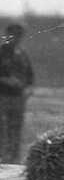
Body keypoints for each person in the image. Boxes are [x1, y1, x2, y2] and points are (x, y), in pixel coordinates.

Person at [0, 23, 34, 164]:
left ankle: (13, 160)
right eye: (12, 35)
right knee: (2, 130)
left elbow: (30, 75)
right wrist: (6, 80)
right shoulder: (1, 53)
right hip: (2, 96)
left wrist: (28, 88)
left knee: (15, 129)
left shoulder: (22, 53)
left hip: (18, 97)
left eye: (19, 36)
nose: (16, 39)